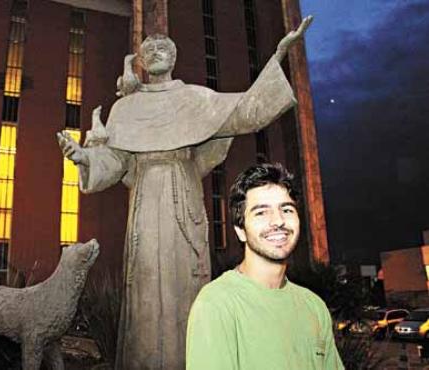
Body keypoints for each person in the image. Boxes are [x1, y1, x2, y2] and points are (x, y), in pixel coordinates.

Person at [58, 17, 312, 370]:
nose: (157, 52)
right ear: (142, 62)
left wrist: (281, 52)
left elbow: (247, 112)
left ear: (174, 58)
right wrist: (85, 157)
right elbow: (114, 161)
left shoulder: (194, 99)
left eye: (164, 48)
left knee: (186, 286)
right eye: (150, 50)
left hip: (184, 198)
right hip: (145, 202)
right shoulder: (126, 109)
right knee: (145, 287)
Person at [186, 163, 344, 370]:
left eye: (286, 209)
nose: (278, 221)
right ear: (240, 231)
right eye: (261, 212)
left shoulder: (314, 307)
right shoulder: (217, 304)